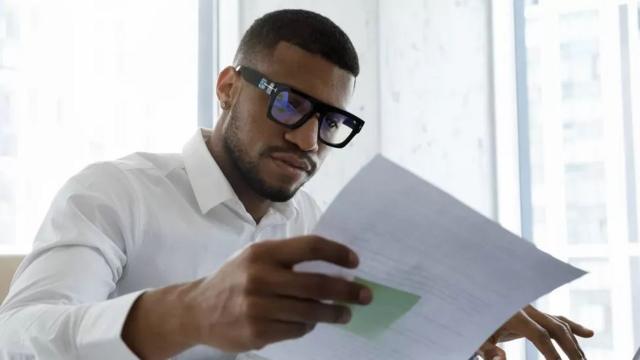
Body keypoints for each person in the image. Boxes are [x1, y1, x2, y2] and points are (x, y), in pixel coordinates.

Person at [0, 9, 593, 360]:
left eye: (332, 122)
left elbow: (355, 342)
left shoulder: (317, 223)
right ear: (229, 87)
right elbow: (18, 337)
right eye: (288, 104)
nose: (309, 142)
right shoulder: (113, 194)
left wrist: (451, 329)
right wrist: (190, 312)